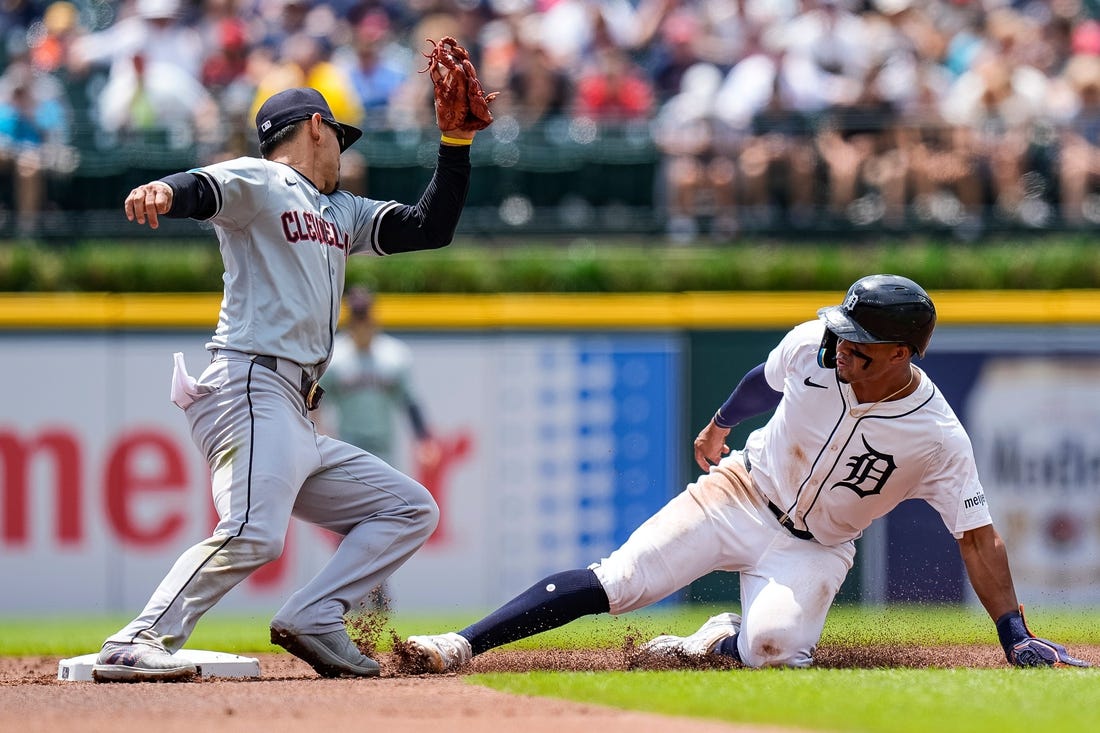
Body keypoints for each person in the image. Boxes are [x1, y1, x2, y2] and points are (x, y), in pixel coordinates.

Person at [405, 274, 1091, 672]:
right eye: (842, 332)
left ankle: (718, 640)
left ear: (899, 354)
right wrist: (719, 424)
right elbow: (764, 379)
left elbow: (977, 536)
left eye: (859, 343)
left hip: (815, 548)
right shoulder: (816, 347)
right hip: (738, 492)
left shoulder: (937, 437)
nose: (841, 347)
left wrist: (1015, 635)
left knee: (772, 648)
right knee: (621, 580)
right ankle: (461, 643)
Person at [90, 84, 479, 682]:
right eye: (340, 139)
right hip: (250, 383)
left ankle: (315, 615)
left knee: (409, 509)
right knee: (253, 532)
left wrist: (455, 144)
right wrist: (164, 190)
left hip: (294, 411)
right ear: (318, 127)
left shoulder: (343, 211)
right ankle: (137, 639)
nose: (343, 154)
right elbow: (203, 188)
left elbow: (430, 227)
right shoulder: (262, 179)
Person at [316, 286, 440, 482]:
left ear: (373, 318)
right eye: (357, 318)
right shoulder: (335, 357)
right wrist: (320, 432)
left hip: (383, 447)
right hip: (347, 445)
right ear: (350, 321)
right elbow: (316, 401)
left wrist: (423, 439)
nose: (362, 324)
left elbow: (409, 401)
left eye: (364, 316)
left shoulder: (394, 355)